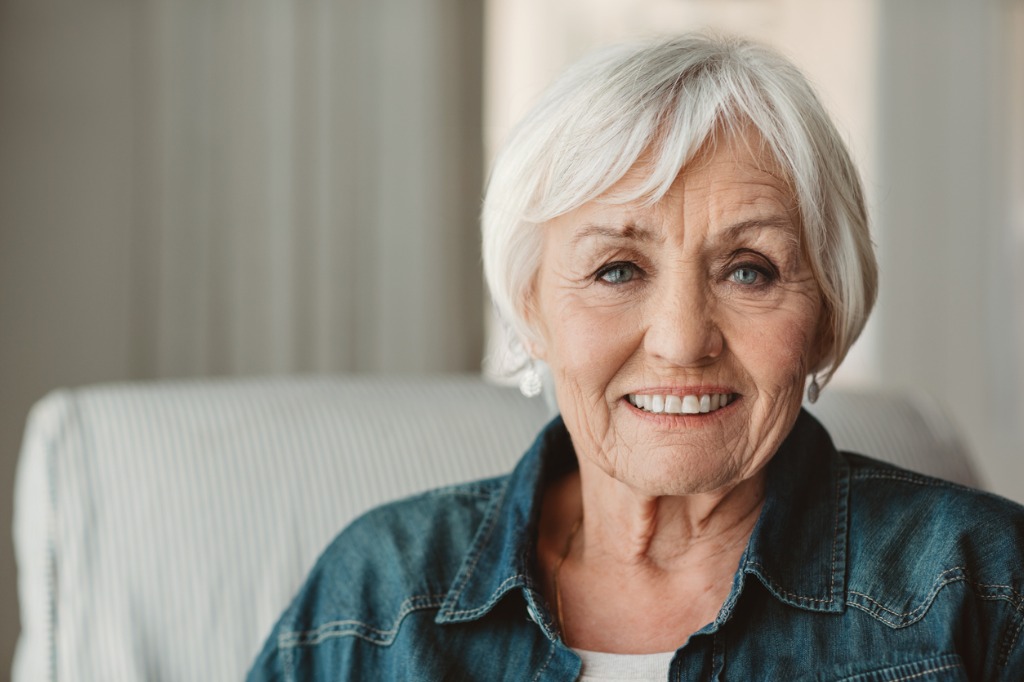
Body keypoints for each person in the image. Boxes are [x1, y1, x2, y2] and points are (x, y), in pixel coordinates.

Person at [248, 34, 1024, 680]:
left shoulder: (981, 583)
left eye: (749, 269)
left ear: (826, 314)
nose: (683, 340)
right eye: (617, 270)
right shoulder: (379, 595)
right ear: (531, 309)